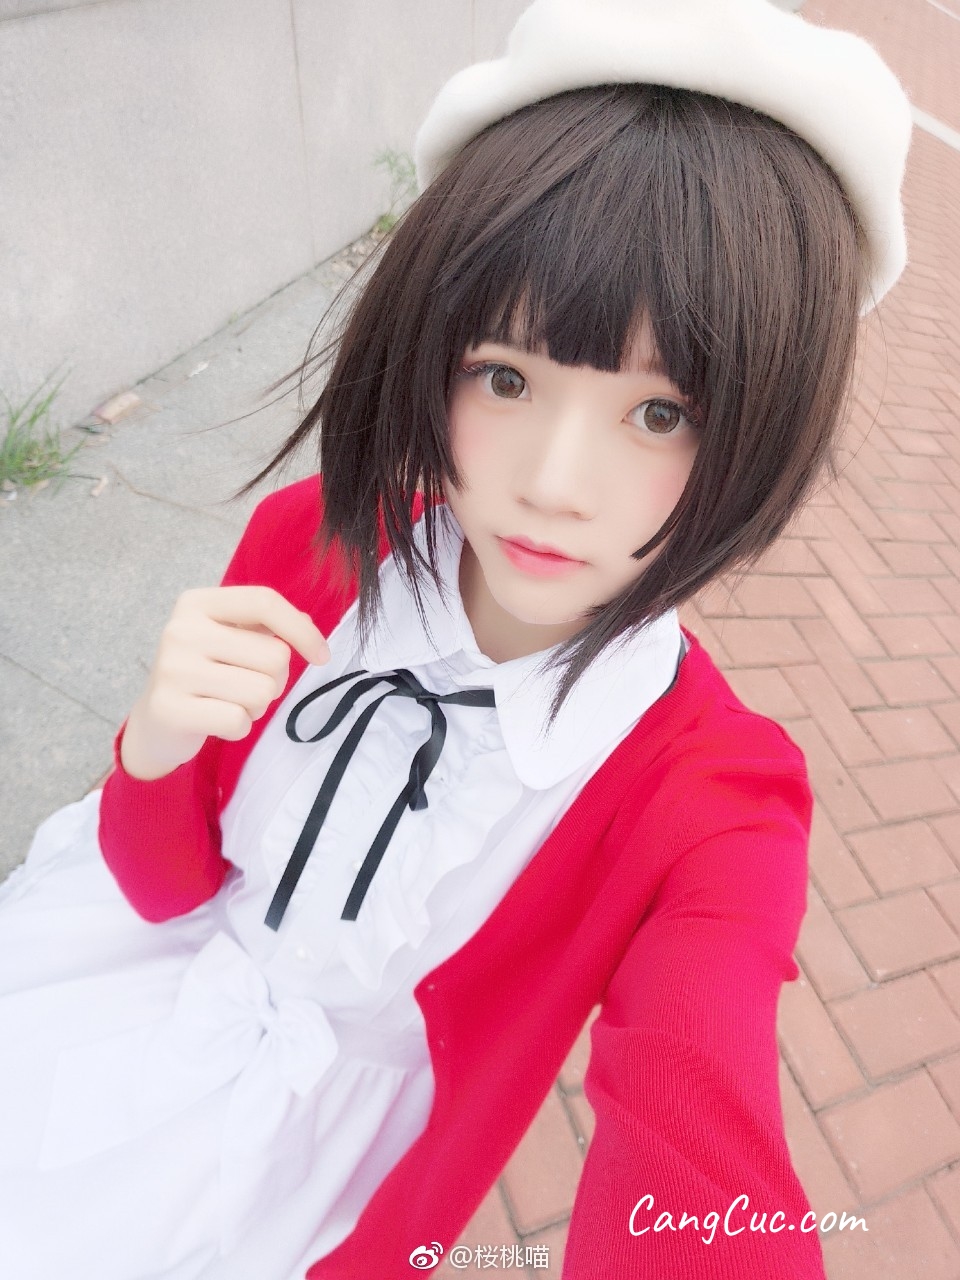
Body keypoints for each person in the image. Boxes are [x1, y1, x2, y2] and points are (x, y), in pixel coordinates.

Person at [0, 0, 912, 1276]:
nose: (553, 483)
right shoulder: (308, 542)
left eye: (663, 413)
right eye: (505, 376)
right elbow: (160, 886)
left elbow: (703, 1136)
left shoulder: (714, 799)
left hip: (317, 1191)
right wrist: (151, 748)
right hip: (99, 1012)